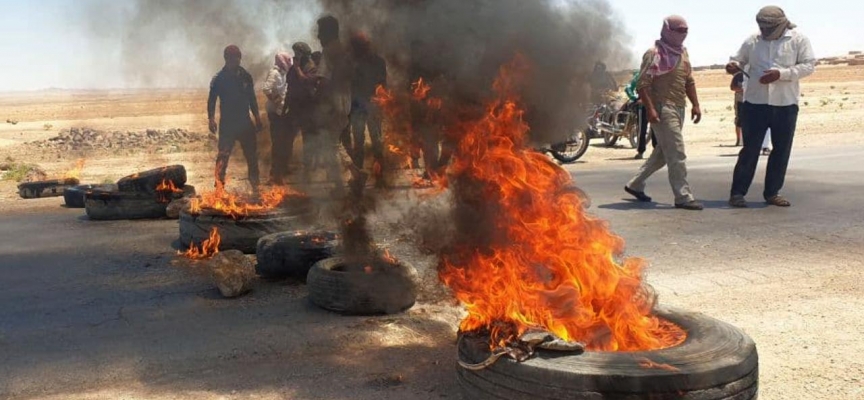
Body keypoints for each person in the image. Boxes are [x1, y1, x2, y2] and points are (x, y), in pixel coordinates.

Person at [726, 5, 815, 208]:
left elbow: (809, 65)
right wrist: (732, 66)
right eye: (761, 26)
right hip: (754, 104)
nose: (764, 30)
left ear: (781, 24)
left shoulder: (798, 40)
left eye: (768, 27)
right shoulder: (752, 41)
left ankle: (772, 193)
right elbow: (737, 59)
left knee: (781, 150)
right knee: (750, 150)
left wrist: (781, 75)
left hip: (785, 104)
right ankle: (737, 193)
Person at [624, 15, 703, 211]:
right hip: (661, 108)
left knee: (662, 154)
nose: (683, 34)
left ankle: (635, 184)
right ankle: (683, 196)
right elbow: (643, 85)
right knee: (676, 152)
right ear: (667, 31)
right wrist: (650, 109)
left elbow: (689, 81)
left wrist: (695, 104)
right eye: (679, 30)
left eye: (686, 31)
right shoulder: (653, 54)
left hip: (678, 107)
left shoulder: (683, 53)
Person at [208, 45, 262, 191]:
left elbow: (252, 98)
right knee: (223, 155)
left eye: (238, 57)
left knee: (251, 156)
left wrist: (257, 116)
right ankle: (219, 186)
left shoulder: (246, 76)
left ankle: (255, 185)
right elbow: (212, 99)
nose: (236, 60)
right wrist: (211, 118)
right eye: (233, 57)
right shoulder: (219, 78)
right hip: (228, 124)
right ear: (226, 59)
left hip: (244, 122)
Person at [311, 16, 352, 194]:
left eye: (320, 31)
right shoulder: (345, 50)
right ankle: (356, 174)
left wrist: (317, 101)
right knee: (336, 143)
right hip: (346, 103)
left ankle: (340, 185)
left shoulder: (328, 51)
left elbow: (323, 81)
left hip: (332, 104)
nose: (318, 35)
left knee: (329, 146)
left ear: (328, 32)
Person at [347, 32, 387, 170]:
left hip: (370, 105)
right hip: (359, 106)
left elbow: (382, 85)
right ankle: (360, 175)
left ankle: (378, 175)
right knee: (361, 142)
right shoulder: (353, 63)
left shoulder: (378, 62)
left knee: (374, 141)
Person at [282, 42, 318, 182]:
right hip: (295, 108)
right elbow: (290, 88)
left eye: (297, 53)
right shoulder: (292, 69)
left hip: (307, 108)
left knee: (307, 140)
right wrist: (285, 107)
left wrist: (297, 69)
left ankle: (308, 172)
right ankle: (284, 167)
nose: (295, 55)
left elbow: (306, 82)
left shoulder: (311, 68)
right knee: (288, 138)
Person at [263, 52, 292, 184]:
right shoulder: (274, 73)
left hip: (281, 112)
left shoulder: (282, 74)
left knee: (282, 142)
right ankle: (274, 174)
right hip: (275, 113)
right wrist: (276, 99)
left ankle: (279, 171)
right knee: (278, 143)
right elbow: (266, 89)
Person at [624, 70, 656, 159]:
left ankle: (656, 151)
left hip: (656, 105)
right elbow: (628, 88)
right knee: (642, 129)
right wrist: (634, 98)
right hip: (643, 106)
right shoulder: (640, 75)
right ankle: (640, 151)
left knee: (656, 129)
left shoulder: (659, 73)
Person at [730, 71, 745, 146]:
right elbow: (732, 87)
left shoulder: (753, 74)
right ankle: (739, 139)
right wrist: (743, 89)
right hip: (740, 100)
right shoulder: (738, 76)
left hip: (752, 100)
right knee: (739, 120)